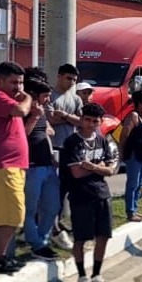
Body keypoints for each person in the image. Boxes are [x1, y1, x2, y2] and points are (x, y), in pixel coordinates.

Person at [0, 61, 37, 274]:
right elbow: (22, 111)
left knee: (1, 217)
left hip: (8, 166)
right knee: (14, 215)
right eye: (14, 82)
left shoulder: (3, 98)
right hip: (3, 166)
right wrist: (29, 98)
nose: (19, 88)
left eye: (21, 83)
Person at [62, 103, 118, 282]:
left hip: (102, 194)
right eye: (88, 119)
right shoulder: (72, 142)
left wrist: (92, 166)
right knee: (81, 238)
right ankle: (81, 276)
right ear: (81, 119)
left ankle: (96, 275)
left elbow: (111, 169)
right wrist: (99, 166)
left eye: (95, 121)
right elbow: (76, 172)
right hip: (80, 196)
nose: (91, 124)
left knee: (103, 237)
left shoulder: (103, 141)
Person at [22, 76, 61, 261]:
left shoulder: (42, 111)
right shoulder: (24, 111)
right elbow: (21, 136)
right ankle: (37, 245)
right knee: (30, 209)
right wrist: (35, 116)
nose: (48, 100)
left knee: (53, 206)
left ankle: (42, 239)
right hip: (31, 167)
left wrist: (52, 155)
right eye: (46, 96)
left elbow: (46, 132)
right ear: (34, 95)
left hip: (48, 165)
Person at [48, 63, 83, 251]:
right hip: (54, 148)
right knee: (55, 190)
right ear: (60, 76)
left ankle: (59, 222)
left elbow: (81, 121)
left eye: (74, 80)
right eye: (68, 78)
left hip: (71, 150)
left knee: (67, 189)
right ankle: (50, 225)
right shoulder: (51, 95)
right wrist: (70, 118)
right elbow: (51, 119)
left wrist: (65, 116)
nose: (71, 82)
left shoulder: (76, 99)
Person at [118, 91, 142, 222]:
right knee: (132, 184)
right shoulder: (133, 116)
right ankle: (130, 212)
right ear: (140, 103)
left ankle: (135, 209)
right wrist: (121, 152)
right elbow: (124, 136)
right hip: (134, 156)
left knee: (140, 184)